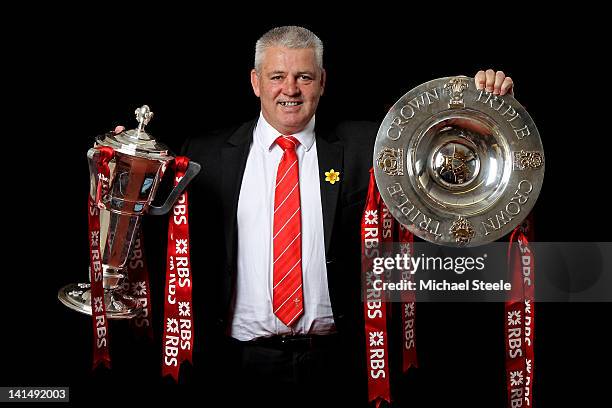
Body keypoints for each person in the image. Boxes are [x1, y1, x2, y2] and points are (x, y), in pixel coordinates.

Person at [181, 26, 514, 406]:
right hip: (237, 366)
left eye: (304, 77)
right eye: (277, 77)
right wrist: (113, 173)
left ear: (322, 82)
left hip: (339, 363)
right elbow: (157, 227)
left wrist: (491, 108)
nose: (290, 90)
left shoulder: (369, 146)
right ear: (256, 82)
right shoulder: (204, 155)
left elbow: (445, 153)